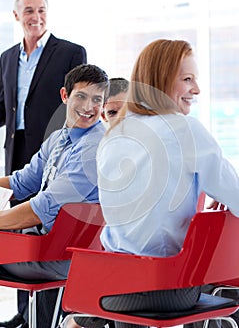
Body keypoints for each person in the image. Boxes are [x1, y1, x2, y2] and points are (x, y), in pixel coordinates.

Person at [61, 39, 239, 328]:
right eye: (187, 79)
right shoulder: (185, 129)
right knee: (218, 283)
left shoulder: (113, 135)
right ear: (164, 79)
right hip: (164, 289)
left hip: (112, 285)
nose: (196, 89)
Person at [0, 0, 87, 327]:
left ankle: (58, 312)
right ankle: (25, 313)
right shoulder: (7, 58)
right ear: (16, 16)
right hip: (18, 148)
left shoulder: (68, 52)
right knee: (21, 230)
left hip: (54, 148)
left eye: (41, 10)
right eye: (29, 11)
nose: (36, 17)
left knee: (51, 226)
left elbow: (83, 101)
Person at [0, 64, 109, 327]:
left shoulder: (94, 147)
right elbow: (22, 182)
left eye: (97, 100)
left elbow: (41, 208)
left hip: (65, 255)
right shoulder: (59, 138)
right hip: (47, 243)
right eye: (81, 96)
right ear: (65, 96)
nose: (89, 106)